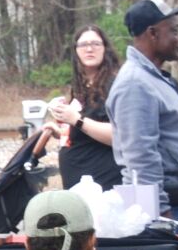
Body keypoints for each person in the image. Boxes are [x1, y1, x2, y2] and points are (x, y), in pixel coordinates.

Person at [107, 0, 178, 243]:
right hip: (169, 213)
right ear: (153, 33)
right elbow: (140, 157)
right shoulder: (135, 84)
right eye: (174, 30)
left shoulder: (154, 79)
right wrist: (161, 218)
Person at [41, 25, 124, 191]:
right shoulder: (83, 85)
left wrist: (75, 120)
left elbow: (120, 136)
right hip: (80, 184)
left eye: (95, 44)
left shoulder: (115, 85)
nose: (89, 49)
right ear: (76, 50)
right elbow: (88, 131)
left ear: (105, 49)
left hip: (104, 185)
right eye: (83, 44)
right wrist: (63, 131)